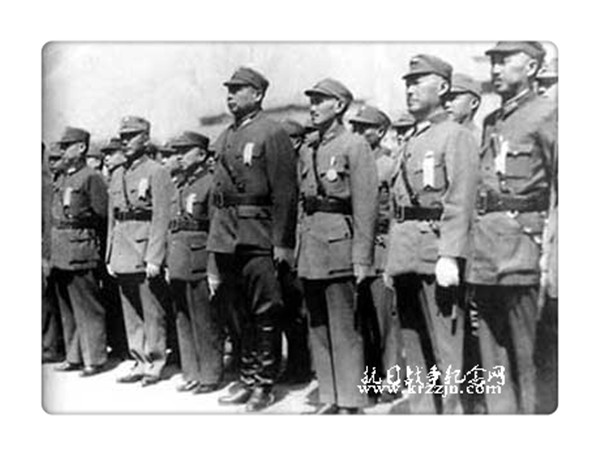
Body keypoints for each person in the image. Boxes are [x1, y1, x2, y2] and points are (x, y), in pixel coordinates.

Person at [465, 41, 557, 414]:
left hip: (524, 251)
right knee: (493, 359)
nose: (495, 69)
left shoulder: (549, 114)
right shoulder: (492, 121)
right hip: (487, 253)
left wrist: (554, 252)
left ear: (532, 67)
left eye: (505, 61)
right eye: (493, 61)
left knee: (530, 357)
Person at [384, 55, 479, 414]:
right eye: (407, 83)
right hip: (406, 252)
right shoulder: (412, 138)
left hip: (436, 254)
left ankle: (452, 418)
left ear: (442, 87)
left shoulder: (455, 136)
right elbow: (398, 203)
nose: (410, 89)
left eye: (418, 81)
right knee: (414, 345)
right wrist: (391, 260)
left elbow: (460, 199)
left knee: (446, 349)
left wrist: (450, 254)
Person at [207, 67, 298, 412]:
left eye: (238, 90)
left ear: (257, 94)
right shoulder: (226, 135)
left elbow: (285, 193)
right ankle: (246, 378)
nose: (230, 95)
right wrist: (216, 237)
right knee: (238, 312)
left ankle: (264, 383)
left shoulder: (272, 133)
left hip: (258, 235)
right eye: (228, 90)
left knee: (265, 312)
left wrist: (282, 243)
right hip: (227, 235)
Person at [297, 79, 378, 414]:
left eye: (320, 101)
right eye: (311, 101)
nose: (313, 107)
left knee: (345, 327)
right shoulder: (308, 148)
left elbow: (366, 205)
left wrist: (362, 257)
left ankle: (350, 399)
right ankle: (329, 395)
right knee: (317, 326)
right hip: (311, 246)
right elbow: (302, 202)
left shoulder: (354, 145)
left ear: (340, 106)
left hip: (339, 246)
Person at [106, 116, 174, 387]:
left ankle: (155, 362)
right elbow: (112, 218)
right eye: (122, 137)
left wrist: (155, 257)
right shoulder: (118, 174)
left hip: (144, 248)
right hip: (123, 248)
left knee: (152, 310)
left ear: (145, 139)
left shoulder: (157, 172)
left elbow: (162, 217)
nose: (125, 142)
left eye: (131, 136)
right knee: (131, 311)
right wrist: (109, 254)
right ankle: (139, 359)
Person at [348, 105, 405, 402]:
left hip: (382, 246)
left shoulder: (389, 164)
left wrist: (393, 256)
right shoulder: (351, 161)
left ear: (380, 132)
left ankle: (391, 381)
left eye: (364, 128)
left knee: (385, 320)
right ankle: (370, 381)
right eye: (354, 127)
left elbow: (395, 212)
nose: (357, 132)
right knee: (362, 320)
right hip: (355, 245)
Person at [166, 131, 224, 394]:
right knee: (183, 319)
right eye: (176, 151)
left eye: (184, 151)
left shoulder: (210, 184)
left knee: (205, 321)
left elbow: (216, 230)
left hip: (200, 261)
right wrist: (169, 262)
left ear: (201, 154)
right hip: (179, 260)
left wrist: (214, 269)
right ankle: (191, 372)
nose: (178, 156)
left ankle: (209, 375)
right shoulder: (181, 184)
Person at [50, 127, 109, 376]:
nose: (63, 151)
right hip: (61, 249)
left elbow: (102, 215)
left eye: (67, 146)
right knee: (67, 308)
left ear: (82, 147)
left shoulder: (91, 177)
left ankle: (94, 358)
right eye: (62, 146)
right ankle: (74, 355)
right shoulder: (63, 177)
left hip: (81, 249)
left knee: (88, 307)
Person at [277, 119, 312, 384]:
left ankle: (303, 366)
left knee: (300, 311)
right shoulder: (282, 167)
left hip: (302, 248)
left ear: (297, 141)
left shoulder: (303, 166)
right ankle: (296, 365)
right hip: (286, 249)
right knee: (289, 310)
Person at [445, 73, 483, 142]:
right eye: (444, 99)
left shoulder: (483, 140)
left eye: (452, 98)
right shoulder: (432, 137)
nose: (446, 104)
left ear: (474, 103)